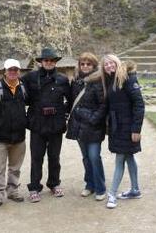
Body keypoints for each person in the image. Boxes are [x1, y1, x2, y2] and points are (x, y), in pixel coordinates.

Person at [21, 47, 71, 203]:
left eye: (52, 60)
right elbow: (15, 88)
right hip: (37, 124)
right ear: (41, 62)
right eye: (46, 60)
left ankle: (54, 184)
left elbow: (70, 99)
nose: (49, 62)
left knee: (54, 157)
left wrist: (64, 115)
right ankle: (35, 187)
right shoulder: (30, 77)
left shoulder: (62, 79)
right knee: (36, 157)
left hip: (56, 124)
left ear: (55, 62)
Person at [100, 55, 145, 209]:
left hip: (127, 127)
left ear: (117, 62)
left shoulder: (127, 78)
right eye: (106, 64)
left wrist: (136, 129)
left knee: (120, 159)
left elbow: (139, 104)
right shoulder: (110, 80)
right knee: (129, 157)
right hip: (117, 126)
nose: (109, 66)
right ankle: (135, 189)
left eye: (111, 62)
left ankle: (112, 194)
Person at [0, 59, 28, 213]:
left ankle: (12, 191)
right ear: (5, 71)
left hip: (19, 137)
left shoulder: (22, 87)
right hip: (1, 138)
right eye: (10, 70)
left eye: (15, 70)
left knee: (15, 168)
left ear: (19, 71)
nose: (13, 72)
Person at [66, 52, 107, 201]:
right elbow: (71, 102)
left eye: (88, 64)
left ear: (94, 66)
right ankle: (90, 185)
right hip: (79, 126)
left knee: (94, 157)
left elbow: (103, 105)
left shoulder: (99, 81)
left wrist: (93, 119)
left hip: (94, 126)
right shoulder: (76, 82)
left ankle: (100, 187)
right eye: (82, 64)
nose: (85, 66)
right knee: (85, 158)